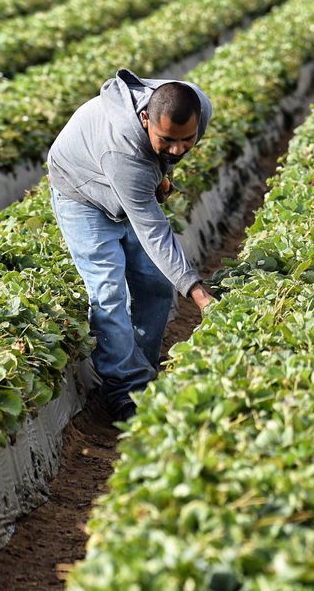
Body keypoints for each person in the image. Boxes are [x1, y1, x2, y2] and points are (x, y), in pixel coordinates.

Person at [48, 69, 216, 422]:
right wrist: (199, 294)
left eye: (187, 139)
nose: (178, 148)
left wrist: (163, 169)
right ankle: (126, 391)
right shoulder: (122, 150)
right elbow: (155, 232)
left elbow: (164, 155)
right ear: (144, 119)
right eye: (168, 139)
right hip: (81, 191)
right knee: (109, 292)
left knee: (155, 282)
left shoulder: (199, 106)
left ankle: (143, 369)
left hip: (127, 179)